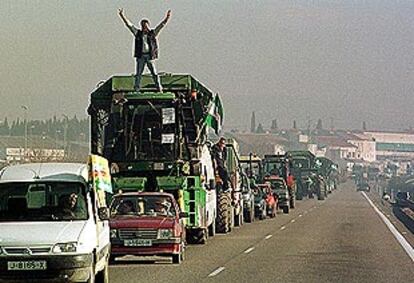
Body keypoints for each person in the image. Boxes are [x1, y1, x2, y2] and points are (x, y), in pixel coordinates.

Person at [118, 8, 171, 92]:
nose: (145, 28)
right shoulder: (138, 34)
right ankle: (137, 89)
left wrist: (167, 18)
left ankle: (159, 88)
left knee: (154, 73)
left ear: (148, 26)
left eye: (146, 26)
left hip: (150, 56)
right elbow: (129, 25)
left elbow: (161, 26)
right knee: (138, 74)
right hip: (141, 56)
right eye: (143, 26)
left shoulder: (152, 34)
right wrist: (122, 16)